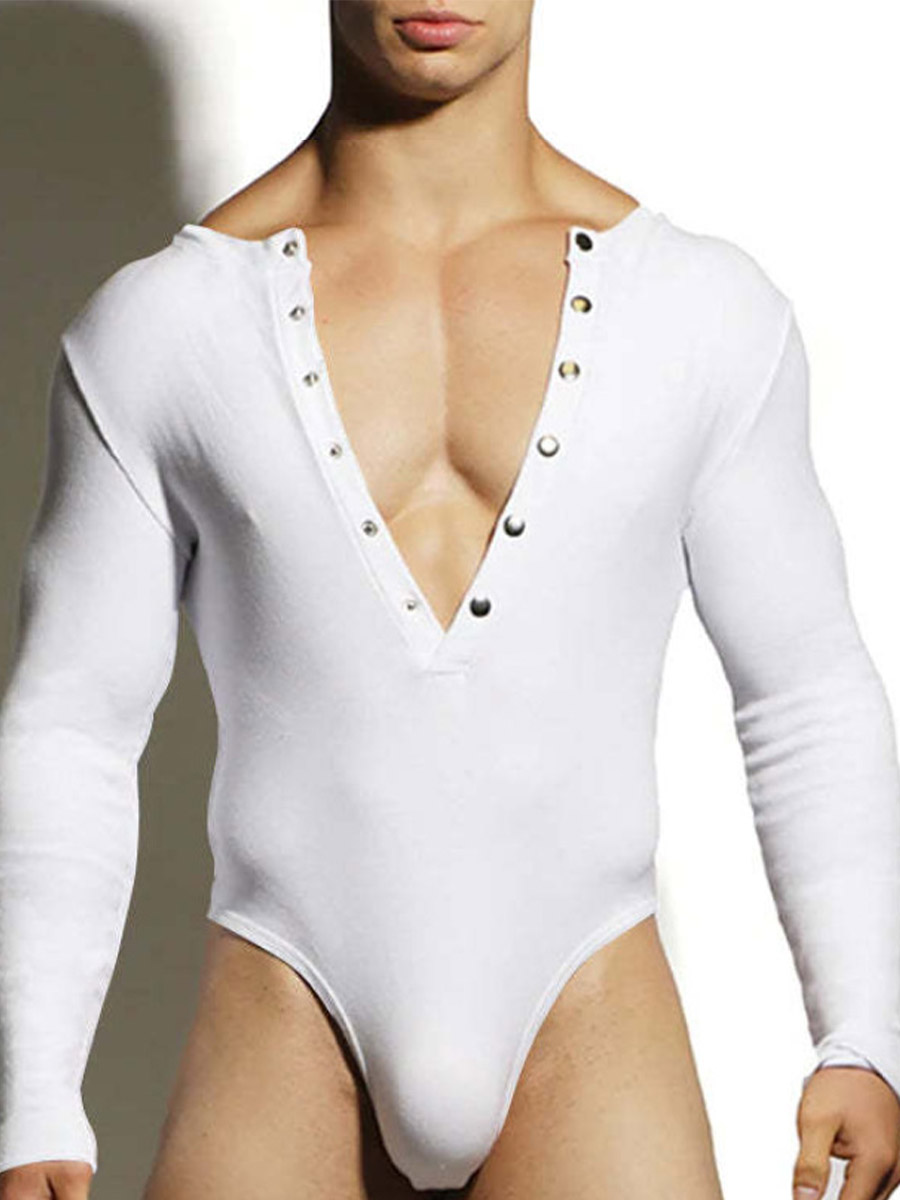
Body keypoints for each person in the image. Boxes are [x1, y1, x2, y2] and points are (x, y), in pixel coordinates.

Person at [1, 2, 899, 1198]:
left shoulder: (699, 311)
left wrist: (863, 1034)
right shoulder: (162, 330)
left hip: (590, 1008)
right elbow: (74, 722)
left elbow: (804, 690)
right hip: (284, 1006)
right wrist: (33, 1100)